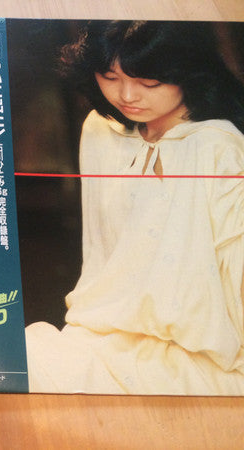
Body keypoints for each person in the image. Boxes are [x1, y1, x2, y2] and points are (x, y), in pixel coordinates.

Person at [25, 20, 244, 395]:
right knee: (12, 363)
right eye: (110, 77)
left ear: (187, 71)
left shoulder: (220, 147)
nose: (127, 95)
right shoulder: (100, 129)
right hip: (102, 334)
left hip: (200, 356)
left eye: (149, 82)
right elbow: (103, 252)